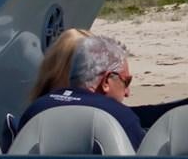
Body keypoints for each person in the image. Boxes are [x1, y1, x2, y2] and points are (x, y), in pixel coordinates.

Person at [13, 34, 146, 150]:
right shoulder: (120, 118)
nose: (127, 92)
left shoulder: (36, 108)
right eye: (126, 82)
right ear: (106, 81)